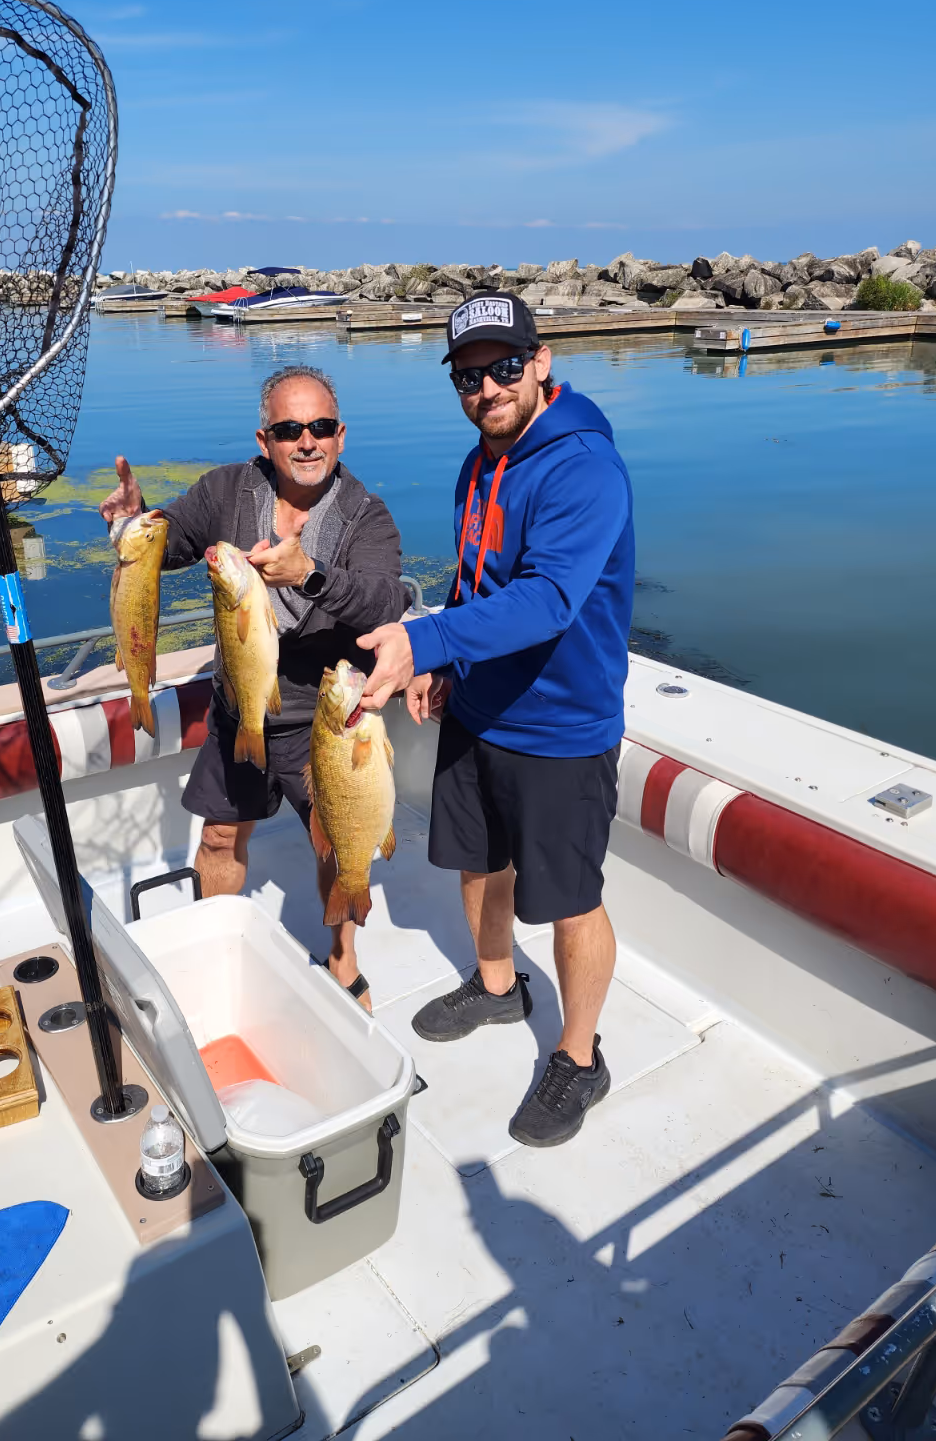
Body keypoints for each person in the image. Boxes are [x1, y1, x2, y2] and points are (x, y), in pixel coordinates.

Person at [357, 293, 634, 1145]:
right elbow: (476, 581)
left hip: (560, 729)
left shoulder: (584, 467)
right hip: (480, 710)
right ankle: (496, 983)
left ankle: (580, 1058)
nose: (488, 389)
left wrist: (424, 639)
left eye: (505, 367)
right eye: (469, 377)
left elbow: (549, 599)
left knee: (572, 900)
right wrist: (442, 661)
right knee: (478, 862)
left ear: (541, 362)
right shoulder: (480, 464)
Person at [99, 364, 408, 1009]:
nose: (307, 441)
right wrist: (133, 526)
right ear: (265, 439)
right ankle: (214, 952)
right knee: (218, 836)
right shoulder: (228, 491)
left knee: (336, 843)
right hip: (240, 703)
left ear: (341, 435)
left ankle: (344, 963)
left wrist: (310, 574)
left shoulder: (366, 516)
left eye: (320, 427)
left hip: (325, 716)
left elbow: (383, 601)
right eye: (289, 430)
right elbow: (173, 540)